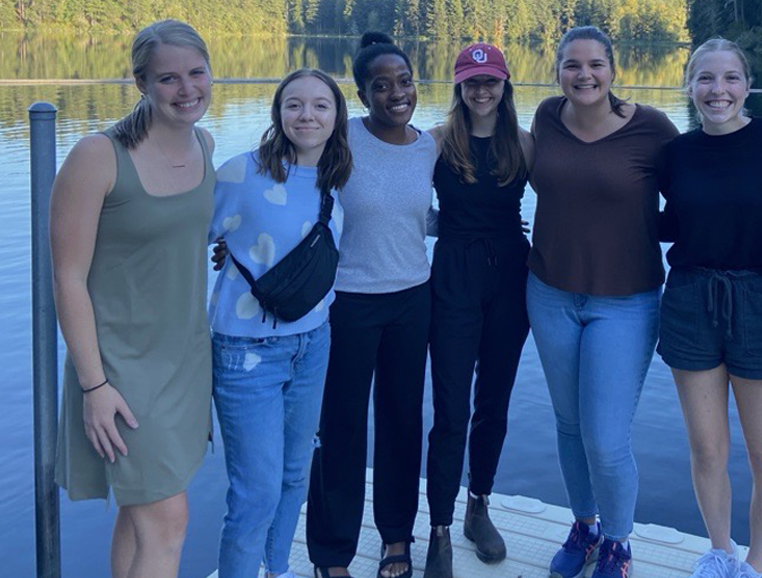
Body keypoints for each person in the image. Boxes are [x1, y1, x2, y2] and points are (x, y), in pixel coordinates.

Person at [51, 20, 215, 578]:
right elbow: (67, 278)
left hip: (186, 360)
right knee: (167, 522)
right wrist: (93, 385)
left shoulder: (205, 145)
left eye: (197, 72)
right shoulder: (98, 157)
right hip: (121, 369)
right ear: (141, 82)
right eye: (168, 78)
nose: (186, 88)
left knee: (141, 513)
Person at [526, 25, 679, 578]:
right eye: (572, 65)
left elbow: (690, 196)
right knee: (569, 425)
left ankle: (618, 541)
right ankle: (585, 524)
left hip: (627, 302)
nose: (583, 75)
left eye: (595, 65)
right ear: (558, 71)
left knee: (606, 439)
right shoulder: (545, 118)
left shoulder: (651, 128)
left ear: (613, 70)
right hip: (549, 294)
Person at [658, 38, 762, 578]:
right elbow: (668, 220)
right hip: (690, 298)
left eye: (731, 78)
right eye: (706, 79)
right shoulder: (676, 153)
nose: (719, 91)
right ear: (690, 86)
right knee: (708, 448)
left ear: (748, 85)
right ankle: (720, 554)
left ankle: (756, 566)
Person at [208, 68, 352, 578]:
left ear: (337, 116)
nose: (307, 115)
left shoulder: (337, 177)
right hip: (245, 351)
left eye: (320, 105)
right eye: (294, 105)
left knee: (295, 474)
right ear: (278, 113)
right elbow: (184, 237)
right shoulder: (240, 174)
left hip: (313, 341)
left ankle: (277, 567)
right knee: (255, 491)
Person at [306, 32, 438, 578]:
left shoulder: (430, 145)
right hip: (348, 303)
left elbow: (420, 216)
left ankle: (396, 539)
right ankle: (332, 554)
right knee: (340, 426)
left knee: (402, 422)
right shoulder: (340, 138)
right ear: (361, 96)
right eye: (380, 86)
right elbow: (289, 183)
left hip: (413, 299)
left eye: (403, 82)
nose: (396, 93)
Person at [423, 42, 535, 578]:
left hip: (510, 278)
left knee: (494, 402)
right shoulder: (438, 142)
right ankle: (439, 529)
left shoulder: (526, 144)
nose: (482, 90)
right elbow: (391, 196)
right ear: (459, 88)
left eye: (491, 81)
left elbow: (575, 198)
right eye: (472, 82)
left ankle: (479, 507)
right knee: (450, 410)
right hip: (453, 279)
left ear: (505, 85)